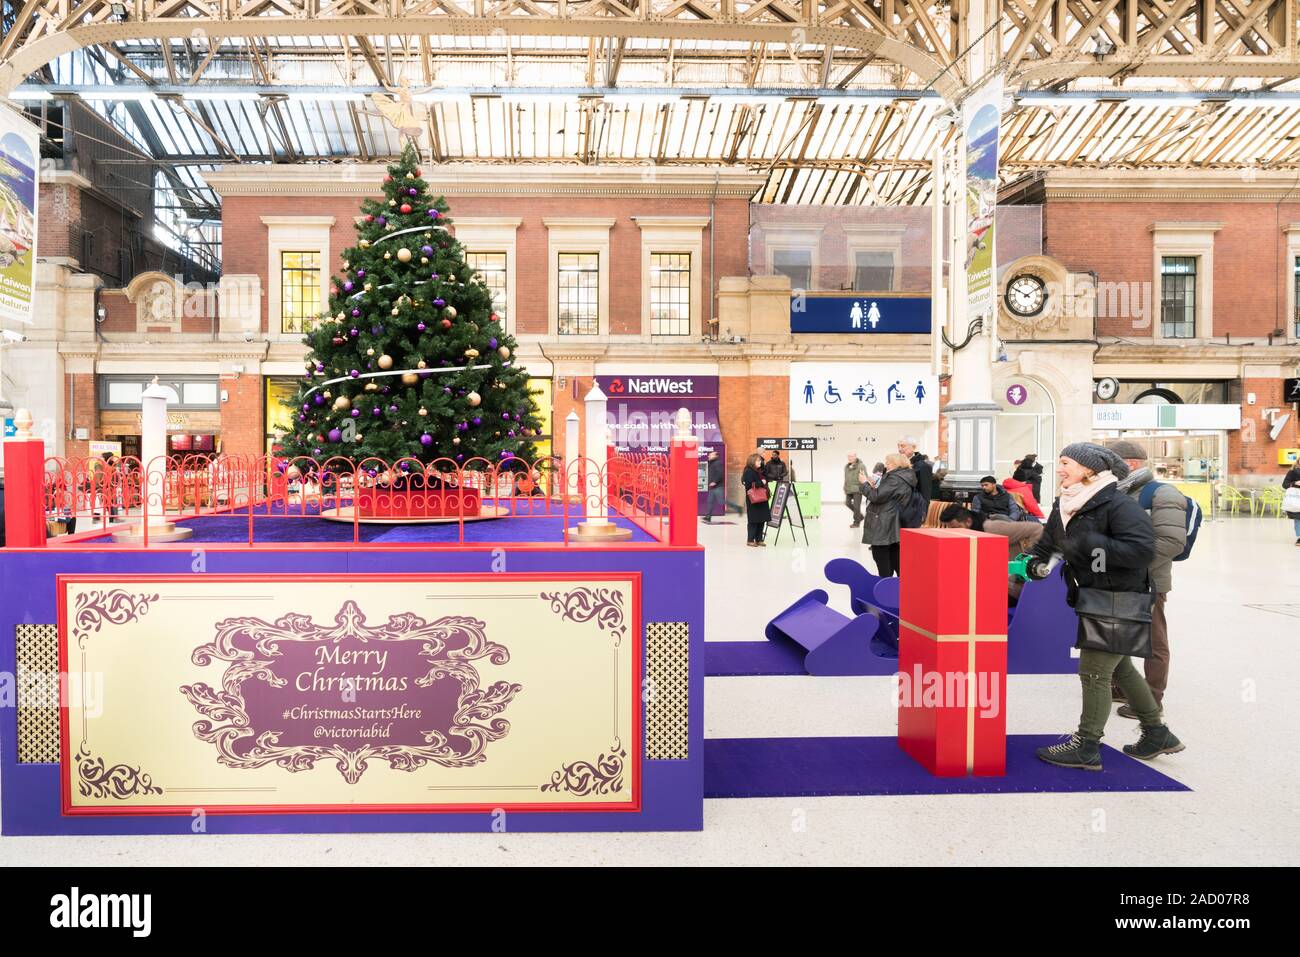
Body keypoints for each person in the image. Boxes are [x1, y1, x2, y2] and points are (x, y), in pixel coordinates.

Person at [1025, 443, 1184, 769]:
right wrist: (1036, 562)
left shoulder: (1118, 504)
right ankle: (1157, 732)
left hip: (1119, 597)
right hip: (1092, 595)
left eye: (1066, 463)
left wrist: (1090, 547)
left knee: (1094, 672)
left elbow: (1141, 550)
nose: (1060, 469)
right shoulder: (1066, 503)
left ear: (1089, 469)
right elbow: (1051, 540)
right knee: (1121, 667)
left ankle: (1086, 746)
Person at [1106, 440, 1187, 720]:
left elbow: (1171, 541)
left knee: (1153, 641)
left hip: (1149, 581)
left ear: (1130, 464)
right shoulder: (1119, 492)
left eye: (1110, 464)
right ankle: (1121, 687)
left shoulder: (1162, 493)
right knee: (1117, 634)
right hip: (1119, 580)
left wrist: (1129, 565)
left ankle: (1151, 699)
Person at [940, 502, 1044, 600]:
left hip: (1009, 588)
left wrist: (1027, 562)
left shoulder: (992, 529)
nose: (953, 533)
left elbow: (1037, 529)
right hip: (989, 584)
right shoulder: (968, 534)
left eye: (956, 528)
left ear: (968, 522)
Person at [860, 452, 917, 577]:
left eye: (888, 463)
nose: (886, 465)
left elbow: (876, 497)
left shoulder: (894, 479)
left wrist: (864, 484)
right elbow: (886, 494)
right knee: (893, 552)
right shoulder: (904, 476)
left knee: (880, 553)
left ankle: (886, 586)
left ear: (897, 464)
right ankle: (899, 586)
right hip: (891, 518)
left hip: (884, 519)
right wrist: (873, 486)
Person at [742, 453, 770, 547]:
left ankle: (759, 539)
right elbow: (749, 486)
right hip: (753, 499)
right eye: (758, 460)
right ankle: (750, 540)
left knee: (762, 519)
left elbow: (767, 476)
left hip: (762, 498)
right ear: (752, 461)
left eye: (760, 460)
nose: (760, 462)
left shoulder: (759, 471)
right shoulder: (748, 471)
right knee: (753, 520)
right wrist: (761, 482)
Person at [843, 452, 867, 528]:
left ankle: (856, 523)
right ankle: (860, 516)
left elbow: (864, 476)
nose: (850, 458)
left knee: (857, 506)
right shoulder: (847, 467)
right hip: (849, 488)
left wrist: (863, 487)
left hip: (857, 489)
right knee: (847, 503)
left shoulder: (861, 466)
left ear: (855, 457)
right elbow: (846, 478)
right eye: (849, 456)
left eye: (852, 456)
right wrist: (845, 487)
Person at [703, 450, 725, 523]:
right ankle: (708, 517)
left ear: (716, 456)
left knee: (721, 502)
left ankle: (737, 508)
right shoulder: (712, 463)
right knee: (710, 501)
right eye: (709, 455)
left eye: (711, 455)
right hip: (713, 487)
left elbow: (720, 474)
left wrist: (714, 482)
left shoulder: (718, 463)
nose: (709, 456)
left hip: (718, 486)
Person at [1284, 460, 1300, 544]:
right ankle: (1299, 538)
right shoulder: (1292, 472)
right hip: (1296, 499)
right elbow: (1285, 485)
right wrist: (1295, 483)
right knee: (1298, 518)